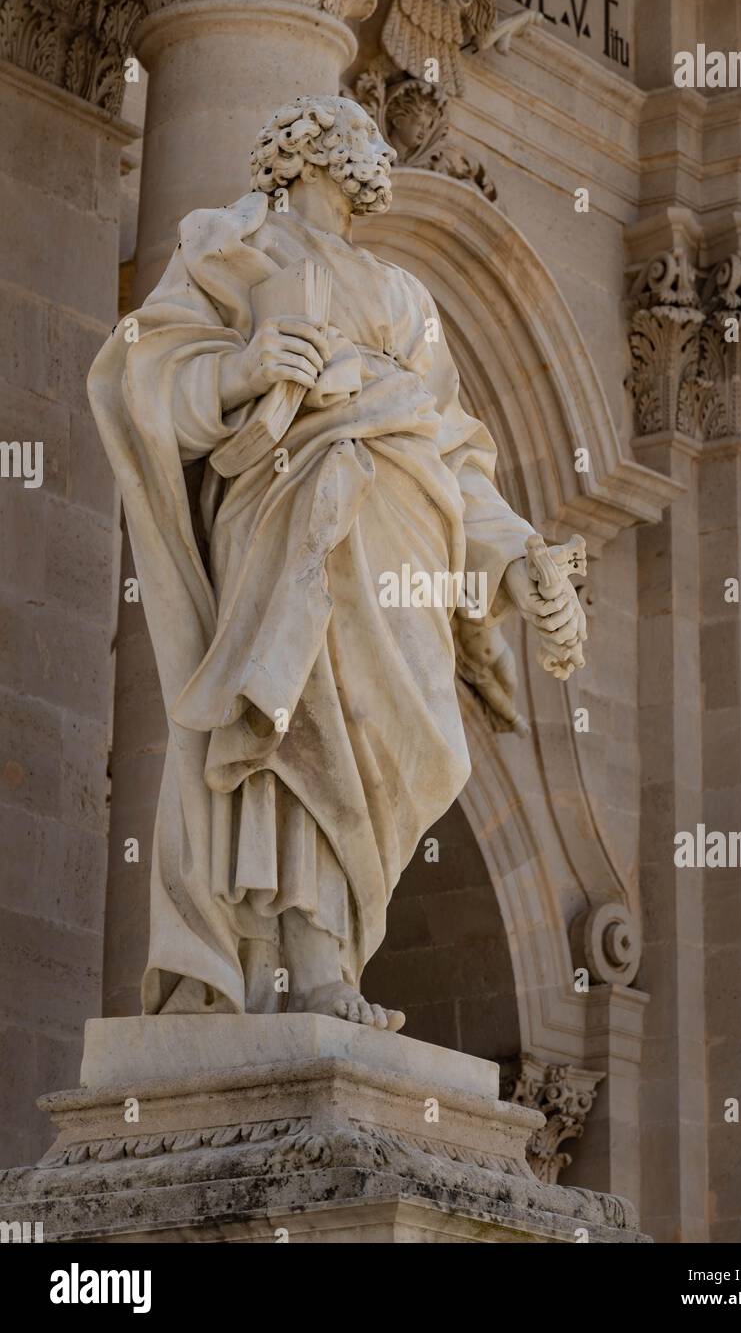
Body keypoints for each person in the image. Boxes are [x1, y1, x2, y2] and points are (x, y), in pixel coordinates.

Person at [88, 96, 582, 1029]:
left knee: (386, 740)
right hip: (288, 516)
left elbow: (451, 447)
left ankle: (331, 956)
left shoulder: (403, 298)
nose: (375, 145)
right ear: (304, 149)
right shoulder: (232, 246)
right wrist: (238, 373)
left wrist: (517, 562)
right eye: (354, 130)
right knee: (293, 728)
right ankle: (300, 966)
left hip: (402, 531)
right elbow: (138, 374)